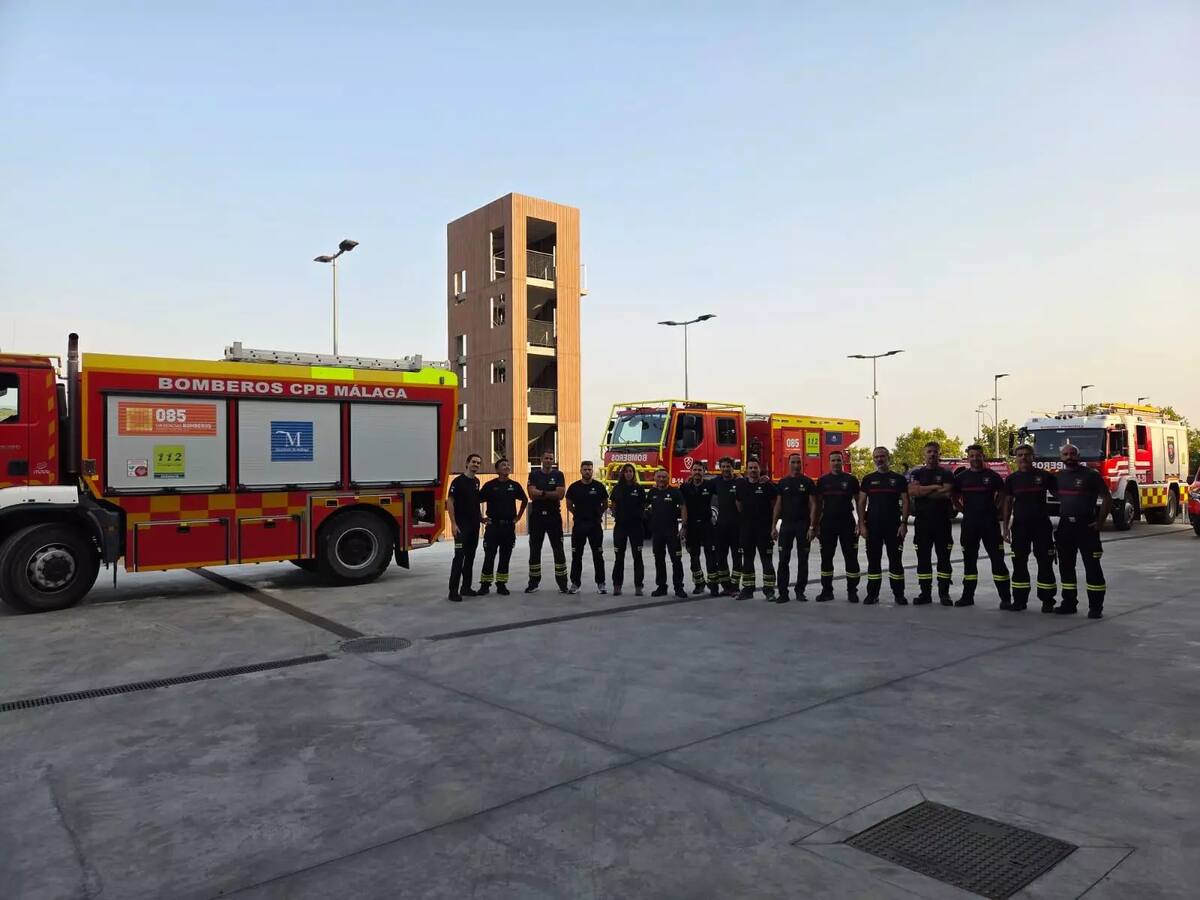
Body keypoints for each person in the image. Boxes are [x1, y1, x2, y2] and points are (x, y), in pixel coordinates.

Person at [1051, 443, 1111, 618]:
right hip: (1065, 527)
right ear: (1061, 457)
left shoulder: (1091, 476)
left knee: (1092, 567)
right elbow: (1056, 495)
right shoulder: (1056, 477)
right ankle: (1069, 603)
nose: (1069, 457)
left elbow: (1106, 497)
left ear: (1078, 456)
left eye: (1072, 453)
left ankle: (1096, 607)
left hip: (1087, 527)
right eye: (1065, 454)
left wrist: (1100, 522)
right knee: (1066, 567)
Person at [952, 445, 1011, 608]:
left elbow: (1003, 493)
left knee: (998, 560)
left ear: (983, 456)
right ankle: (967, 597)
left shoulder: (992, 476)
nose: (975, 459)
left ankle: (1006, 598)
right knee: (969, 561)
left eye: (978, 455)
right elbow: (953, 495)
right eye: (972, 456)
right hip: (970, 524)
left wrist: (996, 507)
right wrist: (961, 509)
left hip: (990, 524)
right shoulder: (961, 478)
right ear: (968, 458)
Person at [1003, 444, 1058, 612]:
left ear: (1033, 457)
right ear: (1016, 458)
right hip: (1020, 527)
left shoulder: (1045, 476)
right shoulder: (1012, 479)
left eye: (1027, 454)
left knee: (1045, 563)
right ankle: (1019, 601)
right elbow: (1007, 503)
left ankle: (1047, 601)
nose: (1023, 458)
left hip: (1042, 526)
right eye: (1020, 455)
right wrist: (1005, 528)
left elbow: (1061, 494)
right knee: (1019, 563)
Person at [857, 447, 909, 606]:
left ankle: (899, 594)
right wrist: (861, 524)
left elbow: (906, 501)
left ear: (888, 457)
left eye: (882, 456)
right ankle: (872, 594)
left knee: (895, 562)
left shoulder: (898, 479)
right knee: (873, 561)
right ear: (874, 459)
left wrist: (904, 523)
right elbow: (861, 502)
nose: (879, 459)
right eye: (876, 457)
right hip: (873, 527)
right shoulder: (868, 479)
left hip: (893, 527)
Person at [907, 441, 956, 605]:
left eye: (935, 451)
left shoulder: (947, 473)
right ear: (924, 454)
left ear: (939, 454)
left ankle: (944, 594)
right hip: (922, 523)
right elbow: (913, 491)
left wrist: (924, 492)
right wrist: (936, 486)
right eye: (929, 451)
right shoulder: (917, 473)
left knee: (944, 559)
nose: (932, 454)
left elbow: (947, 492)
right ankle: (925, 594)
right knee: (923, 559)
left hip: (942, 522)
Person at [814, 450, 862, 602]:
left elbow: (859, 502)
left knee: (851, 558)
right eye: (833, 460)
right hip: (827, 524)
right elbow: (818, 504)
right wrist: (815, 525)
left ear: (843, 461)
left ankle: (852, 591)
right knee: (826, 558)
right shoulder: (822, 481)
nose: (836, 463)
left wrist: (860, 523)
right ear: (829, 462)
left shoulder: (851, 480)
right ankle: (827, 591)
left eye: (838, 460)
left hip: (847, 523)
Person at [477, 458, 527, 595]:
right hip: (493, 527)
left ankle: (501, 584)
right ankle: (485, 585)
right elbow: (476, 500)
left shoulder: (514, 485)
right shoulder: (489, 485)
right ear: (497, 470)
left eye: (508, 464)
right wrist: (480, 518)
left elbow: (525, 500)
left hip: (508, 528)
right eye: (503, 465)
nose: (507, 466)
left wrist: (518, 517)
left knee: (505, 557)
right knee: (489, 556)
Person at [773, 453, 817, 603]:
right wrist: (773, 526)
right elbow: (778, 506)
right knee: (783, 560)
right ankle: (783, 593)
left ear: (802, 464)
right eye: (793, 462)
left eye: (799, 462)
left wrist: (812, 527)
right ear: (788, 463)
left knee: (803, 559)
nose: (796, 465)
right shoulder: (782, 483)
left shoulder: (808, 482)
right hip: (786, 525)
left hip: (803, 525)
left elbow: (814, 505)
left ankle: (800, 591)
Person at [526, 449, 570, 594]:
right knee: (534, 549)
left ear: (554, 460)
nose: (549, 461)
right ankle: (533, 583)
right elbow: (532, 494)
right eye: (546, 458)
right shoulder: (534, 474)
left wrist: (542, 493)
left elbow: (560, 494)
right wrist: (549, 494)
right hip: (537, 517)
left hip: (553, 516)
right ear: (541, 459)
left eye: (551, 458)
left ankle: (563, 584)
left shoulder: (558, 474)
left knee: (558, 549)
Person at [734, 458, 777, 600]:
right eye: (750, 468)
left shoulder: (768, 486)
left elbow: (774, 505)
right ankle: (747, 589)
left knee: (767, 561)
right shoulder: (741, 485)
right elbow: (739, 505)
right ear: (746, 471)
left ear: (760, 470)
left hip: (764, 531)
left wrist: (772, 527)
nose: (753, 470)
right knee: (747, 560)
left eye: (755, 468)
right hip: (747, 530)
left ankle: (769, 590)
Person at [566, 460, 609, 594]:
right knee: (576, 555)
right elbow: (569, 506)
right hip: (579, 526)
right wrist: (579, 515)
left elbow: (605, 504)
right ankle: (575, 583)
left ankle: (601, 583)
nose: (587, 471)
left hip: (595, 526)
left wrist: (597, 515)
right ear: (581, 470)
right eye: (585, 469)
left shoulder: (599, 487)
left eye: (590, 469)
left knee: (598, 555)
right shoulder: (574, 487)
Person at [446, 452, 483, 602]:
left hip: (474, 527)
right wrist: (453, 524)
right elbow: (450, 502)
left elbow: (475, 504)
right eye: (473, 462)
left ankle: (466, 588)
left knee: (470, 558)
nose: (476, 465)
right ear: (467, 463)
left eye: (478, 463)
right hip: (461, 527)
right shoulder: (457, 482)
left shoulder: (477, 482)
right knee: (459, 558)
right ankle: (453, 591)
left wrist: (481, 519)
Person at [647, 467, 688, 598]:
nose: (661, 479)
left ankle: (678, 588)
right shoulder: (651, 492)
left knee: (676, 560)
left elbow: (683, 508)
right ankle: (661, 586)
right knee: (659, 560)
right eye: (659, 477)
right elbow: (643, 506)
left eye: (664, 477)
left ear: (668, 478)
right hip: (657, 533)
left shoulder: (675, 492)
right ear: (655, 478)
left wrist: (684, 527)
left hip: (672, 533)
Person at [680, 461, 719, 595]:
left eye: (700, 470)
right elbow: (682, 507)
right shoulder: (684, 487)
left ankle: (713, 585)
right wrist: (683, 527)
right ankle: (699, 583)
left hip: (706, 525)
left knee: (711, 557)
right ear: (691, 472)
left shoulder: (710, 485)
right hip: (691, 527)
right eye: (695, 469)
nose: (697, 472)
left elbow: (725, 481)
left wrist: (739, 477)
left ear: (704, 472)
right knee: (694, 557)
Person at [609, 463, 647, 597]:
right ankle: (617, 585)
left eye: (631, 471)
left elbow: (643, 505)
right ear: (623, 474)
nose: (629, 473)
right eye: (626, 471)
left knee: (638, 557)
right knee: (619, 557)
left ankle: (638, 586)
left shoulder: (639, 489)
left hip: (636, 527)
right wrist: (616, 514)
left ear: (634, 473)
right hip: (621, 527)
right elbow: (612, 505)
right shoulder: (617, 489)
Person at [709, 457, 742, 596]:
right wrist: (689, 480)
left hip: (736, 527)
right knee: (721, 557)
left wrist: (764, 478)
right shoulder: (715, 482)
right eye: (723, 466)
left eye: (728, 466)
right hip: (721, 527)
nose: (725, 469)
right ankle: (726, 586)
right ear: (719, 468)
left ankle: (735, 587)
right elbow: (701, 486)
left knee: (737, 557)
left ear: (732, 467)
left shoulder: (740, 482)